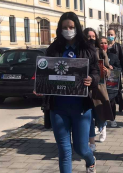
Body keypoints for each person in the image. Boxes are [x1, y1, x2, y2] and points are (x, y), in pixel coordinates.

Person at [40, 12, 99, 173]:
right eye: (65, 27)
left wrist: (91, 79)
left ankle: (91, 159)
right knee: (64, 152)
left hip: (81, 107)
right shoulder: (53, 49)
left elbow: (96, 73)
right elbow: (44, 73)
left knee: (81, 148)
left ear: (77, 28)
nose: (68, 30)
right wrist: (40, 86)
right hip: (58, 108)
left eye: (71, 27)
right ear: (60, 29)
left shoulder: (88, 50)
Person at [84, 28, 111, 152]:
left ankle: (103, 127)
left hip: (99, 86)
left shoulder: (100, 51)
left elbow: (108, 68)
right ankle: (91, 141)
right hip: (85, 88)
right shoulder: (81, 51)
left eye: (93, 36)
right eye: (88, 36)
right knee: (89, 116)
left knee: (100, 111)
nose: (91, 38)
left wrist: (107, 71)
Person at [100, 36, 121, 128]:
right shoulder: (95, 54)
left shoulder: (113, 55)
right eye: (101, 43)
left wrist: (113, 68)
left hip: (111, 82)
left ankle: (113, 119)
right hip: (99, 82)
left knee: (111, 101)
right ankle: (101, 121)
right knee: (100, 102)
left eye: (105, 43)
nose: (103, 45)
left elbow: (119, 67)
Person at [107, 28, 123, 113]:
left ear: (115, 36)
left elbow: (122, 59)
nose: (110, 36)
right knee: (111, 91)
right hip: (107, 73)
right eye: (109, 34)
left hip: (116, 72)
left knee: (118, 89)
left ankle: (120, 102)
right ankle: (112, 109)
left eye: (112, 34)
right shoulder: (105, 46)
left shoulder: (118, 46)